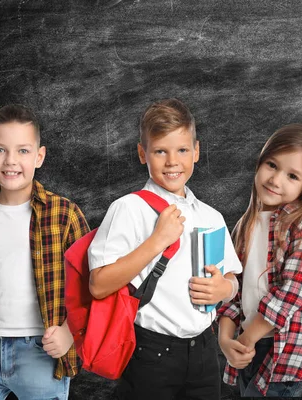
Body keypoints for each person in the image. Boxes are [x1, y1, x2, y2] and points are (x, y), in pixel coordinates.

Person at [87, 98, 242, 400]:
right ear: (142, 154)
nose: (172, 162)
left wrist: (225, 289)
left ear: (196, 151)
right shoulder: (129, 209)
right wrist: (157, 241)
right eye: (160, 151)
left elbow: (233, 280)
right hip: (152, 354)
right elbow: (98, 284)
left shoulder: (211, 216)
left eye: (182, 150)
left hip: (205, 353)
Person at [0, 104, 90, 400]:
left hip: (41, 350)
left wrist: (68, 332)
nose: (10, 161)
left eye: (23, 151)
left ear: (39, 156)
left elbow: (91, 285)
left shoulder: (64, 214)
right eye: (0, 150)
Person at [217, 123, 302, 397]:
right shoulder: (246, 224)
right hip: (247, 347)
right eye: (271, 165)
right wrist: (225, 340)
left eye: (292, 176)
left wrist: (246, 339)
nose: (275, 179)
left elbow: (293, 291)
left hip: (285, 351)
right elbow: (233, 289)